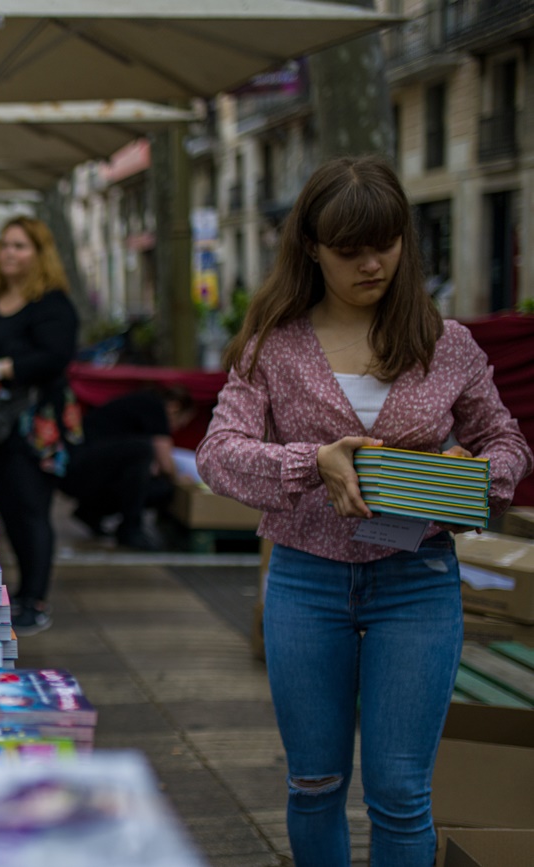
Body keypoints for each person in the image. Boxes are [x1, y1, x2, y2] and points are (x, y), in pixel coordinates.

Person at [196, 156, 533, 866]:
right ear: (313, 248)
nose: (372, 263)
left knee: (401, 791)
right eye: (350, 250)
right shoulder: (274, 346)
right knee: (314, 781)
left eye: (387, 243)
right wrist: (307, 461)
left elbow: (508, 443)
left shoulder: (447, 344)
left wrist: (478, 473)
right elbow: (218, 454)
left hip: (418, 581)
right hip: (305, 581)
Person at [0, 217, 80, 636]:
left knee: (32, 509)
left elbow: (56, 357)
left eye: (20, 245)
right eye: (5, 245)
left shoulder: (52, 303)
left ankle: (36, 599)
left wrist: (2, 367)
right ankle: (23, 593)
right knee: (10, 509)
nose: (9, 253)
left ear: (40, 254)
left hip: (35, 425)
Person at [60, 387, 197, 549]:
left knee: (161, 488)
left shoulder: (136, 411)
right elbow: (165, 460)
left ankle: (91, 511)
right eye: (180, 422)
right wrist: (180, 480)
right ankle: (130, 529)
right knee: (143, 450)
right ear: (175, 407)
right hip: (77, 469)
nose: (176, 428)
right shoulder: (154, 406)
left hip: (88, 473)